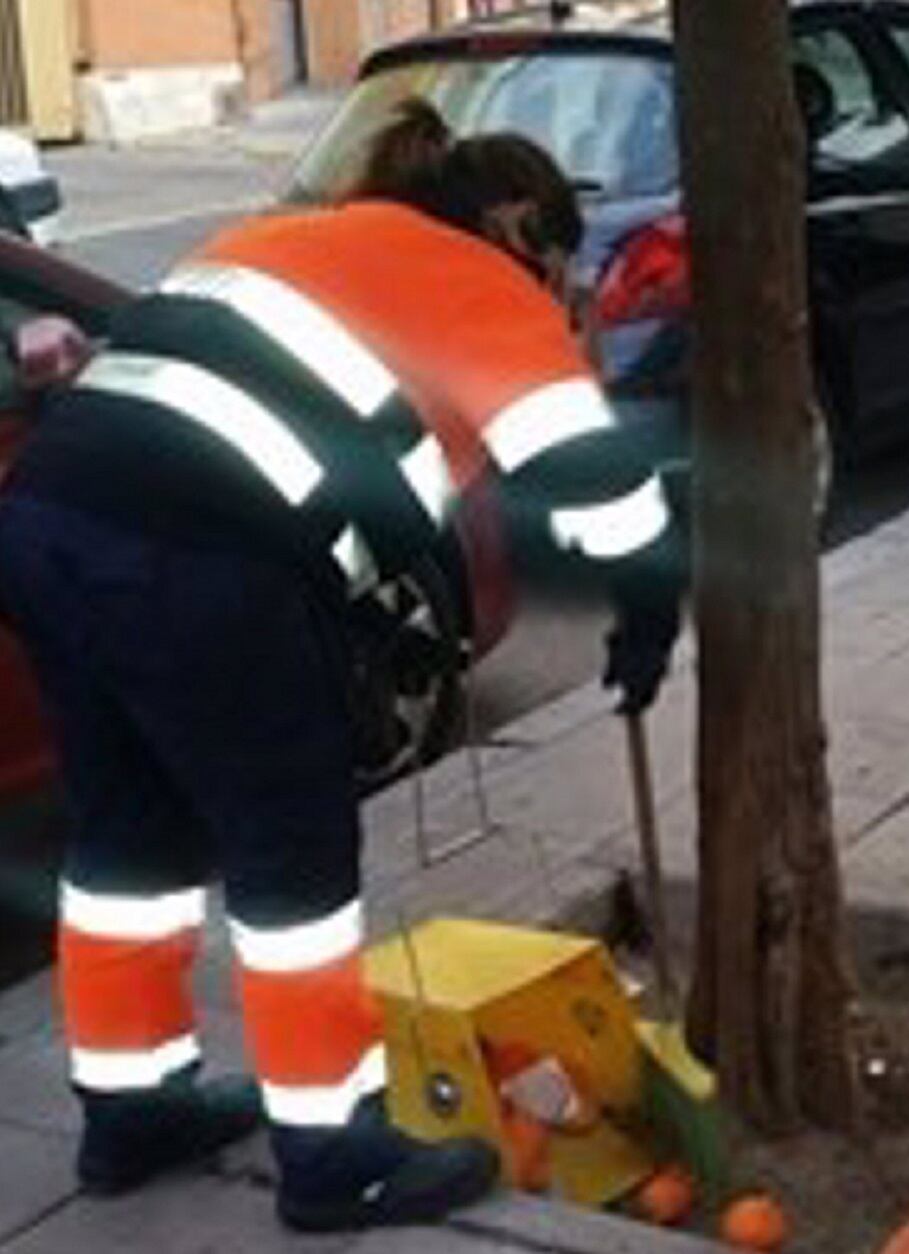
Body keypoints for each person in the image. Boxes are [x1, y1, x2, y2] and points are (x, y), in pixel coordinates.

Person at [0, 99, 682, 1232]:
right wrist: (646, 616)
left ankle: (131, 1111)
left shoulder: (288, 235)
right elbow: (591, 479)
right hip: (194, 562)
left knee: (131, 843)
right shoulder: (475, 276)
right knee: (293, 857)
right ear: (518, 224)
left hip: (45, 526)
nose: (567, 292)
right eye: (560, 262)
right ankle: (334, 1152)